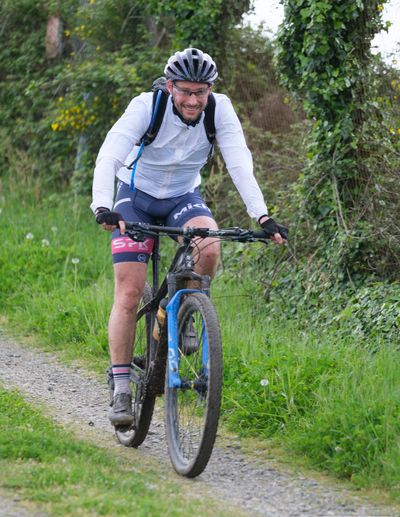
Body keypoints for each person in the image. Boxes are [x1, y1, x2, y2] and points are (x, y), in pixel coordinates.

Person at [91, 47, 288, 426]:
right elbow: (109, 156)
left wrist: (262, 214)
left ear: (210, 89)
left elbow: (239, 162)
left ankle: (185, 315)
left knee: (208, 246)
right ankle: (121, 388)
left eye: (201, 92)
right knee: (129, 292)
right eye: (185, 91)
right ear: (170, 87)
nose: (194, 101)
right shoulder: (146, 106)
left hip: (183, 196)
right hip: (135, 197)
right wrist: (102, 206)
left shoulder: (219, 109)